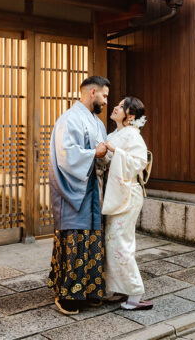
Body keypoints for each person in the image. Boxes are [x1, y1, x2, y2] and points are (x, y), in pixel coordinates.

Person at [47, 75, 110, 315]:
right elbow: (67, 156)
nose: (105, 101)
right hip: (74, 191)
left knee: (92, 241)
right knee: (76, 241)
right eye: (104, 95)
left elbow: (100, 153)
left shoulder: (96, 122)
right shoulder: (70, 119)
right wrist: (95, 153)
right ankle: (68, 296)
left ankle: (90, 291)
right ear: (92, 92)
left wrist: (103, 156)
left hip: (92, 190)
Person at [102, 96, 152, 310]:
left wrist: (115, 152)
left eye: (122, 106)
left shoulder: (132, 135)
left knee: (120, 243)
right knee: (113, 242)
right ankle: (117, 289)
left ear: (130, 116)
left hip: (128, 194)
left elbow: (140, 161)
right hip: (118, 193)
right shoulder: (116, 133)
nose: (115, 107)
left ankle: (135, 294)